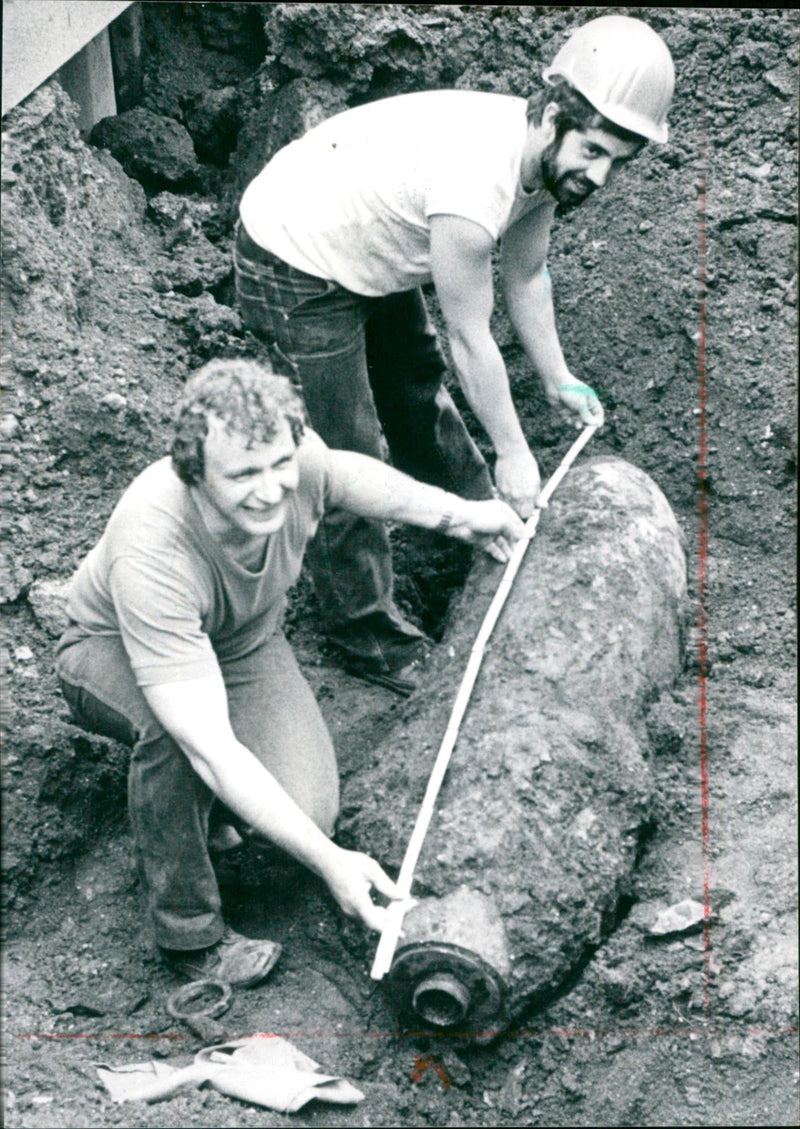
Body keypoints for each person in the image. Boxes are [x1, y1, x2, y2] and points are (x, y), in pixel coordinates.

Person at [234, 14, 675, 692]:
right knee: (344, 446)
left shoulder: (544, 162)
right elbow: (470, 337)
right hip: (297, 252)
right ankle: (368, 636)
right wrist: (514, 451)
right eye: (593, 151)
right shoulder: (477, 187)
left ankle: (470, 536)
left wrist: (557, 377)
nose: (601, 174)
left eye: (617, 159)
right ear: (554, 113)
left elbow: (527, 277)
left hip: (370, 240)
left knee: (415, 390)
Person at [55, 358, 524, 987]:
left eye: (281, 465)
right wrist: (332, 865)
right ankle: (190, 934)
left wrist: (459, 514)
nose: (273, 487)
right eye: (245, 474)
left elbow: (348, 477)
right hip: (112, 648)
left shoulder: (290, 457)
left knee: (308, 810)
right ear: (192, 473)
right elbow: (211, 745)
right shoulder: (154, 549)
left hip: (240, 642)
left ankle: (216, 812)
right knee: (176, 739)